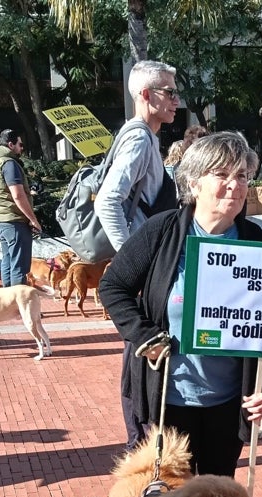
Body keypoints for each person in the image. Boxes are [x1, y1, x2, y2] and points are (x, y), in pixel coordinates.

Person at [99, 131, 262, 497]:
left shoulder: (261, 244)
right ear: (193, 182)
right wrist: (144, 337)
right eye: (221, 174)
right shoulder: (163, 232)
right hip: (166, 396)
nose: (233, 185)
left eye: (242, 175)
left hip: (228, 402)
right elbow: (114, 288)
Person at [95, 59, 181, 453]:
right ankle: (140, 442)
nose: (176, 101)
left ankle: (141, 440)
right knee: (139, 349)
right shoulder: (138, 139)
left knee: (138, 349)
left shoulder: (145, 137)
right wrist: (134, 260)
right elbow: (108, 201)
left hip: (146, 267)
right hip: (143, 271)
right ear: (146, 96)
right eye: (169, 92)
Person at [0, 129, 41, 286]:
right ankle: (20, 307)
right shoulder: (9, 163)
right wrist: (33, 219)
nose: (22, 148)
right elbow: (17, 195)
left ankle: (8, 305)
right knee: (20, 267)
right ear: (10, 144)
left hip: (1, 218)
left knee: (8, 262)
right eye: (20, 144)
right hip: (15, 220)